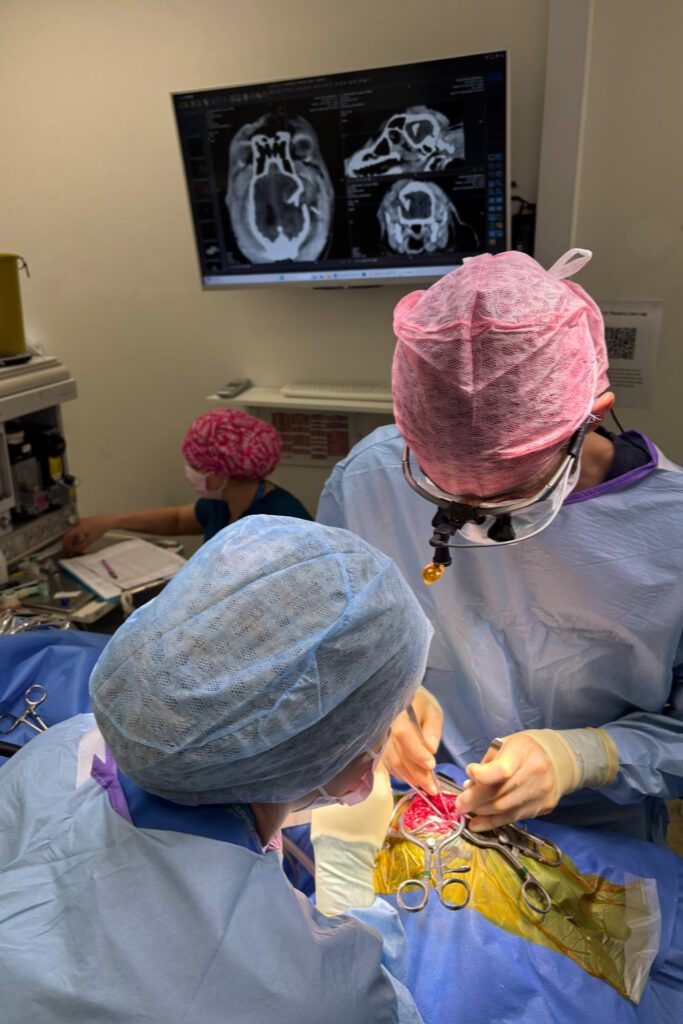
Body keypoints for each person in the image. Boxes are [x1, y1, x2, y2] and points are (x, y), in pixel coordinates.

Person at [0, 515, 431, 1023]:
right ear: (339, 762)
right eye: (383, 721)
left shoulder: (60, 748)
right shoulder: (309, 994)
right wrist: (349, 891)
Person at [317, 248, 683, 844]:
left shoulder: (671, 533)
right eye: (442, 490)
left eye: (508, 493)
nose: (471, 518)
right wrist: (379, 698)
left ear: (592, 414)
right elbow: (335, 629)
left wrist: (586, 757)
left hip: (591, 825)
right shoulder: (370, 479)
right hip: (418, 803)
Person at [62, 408, 311, 554]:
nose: (191, 472)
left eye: (195, 466)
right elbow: (178, 519)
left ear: (221, 471)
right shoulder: (226, 502)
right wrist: (109, 521)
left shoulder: (278, 522)